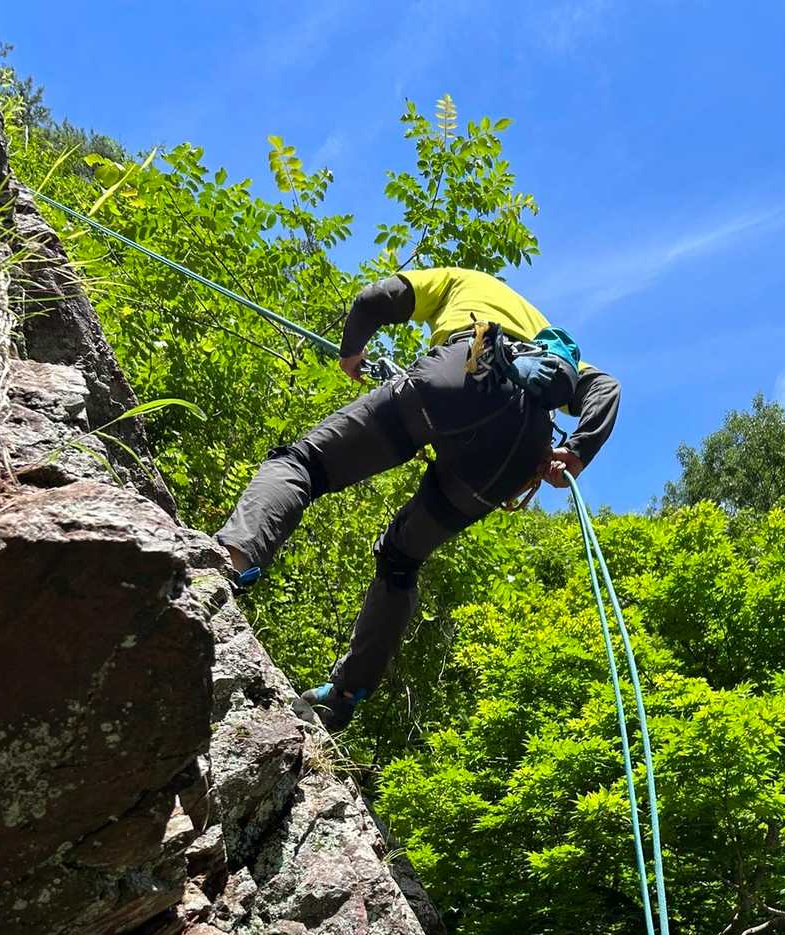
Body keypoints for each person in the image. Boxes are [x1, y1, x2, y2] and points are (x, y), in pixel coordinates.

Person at [215, 266, 621, 732]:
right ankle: (344, 695)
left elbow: (375, 299)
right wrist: (576, 450)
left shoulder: (462, 281)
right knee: (401, 559)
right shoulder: (547, 343)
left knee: (304, 464)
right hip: (516, 451)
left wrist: (352, 354)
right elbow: (605, 387)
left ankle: (225, 564)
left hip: (463, 374)